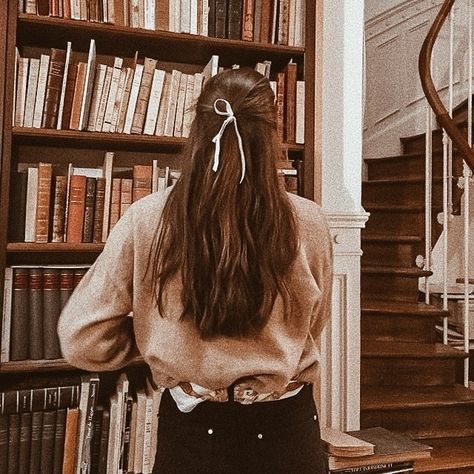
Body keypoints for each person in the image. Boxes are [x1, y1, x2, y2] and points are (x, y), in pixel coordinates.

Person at [58, 67, 333, 474]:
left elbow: (81, 337)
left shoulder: (146, 219)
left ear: (198, 129)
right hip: (287, 433)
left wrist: (159, 346)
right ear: (272, 134)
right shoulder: (309, 221)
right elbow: (314, 322)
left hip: (192, 434)